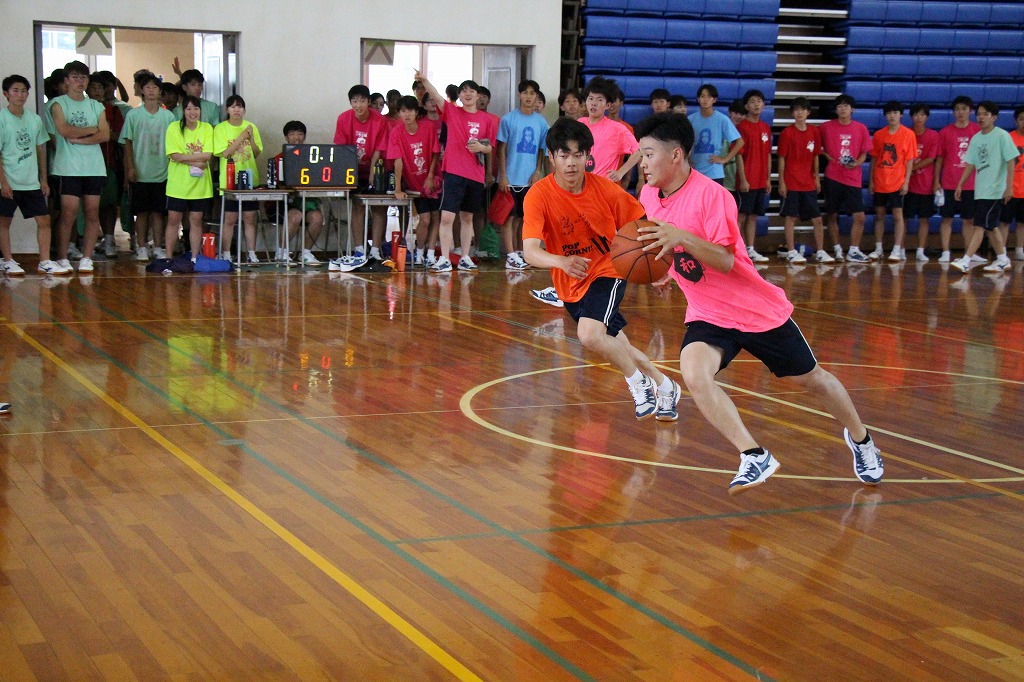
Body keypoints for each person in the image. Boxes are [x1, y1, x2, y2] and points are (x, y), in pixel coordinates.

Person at [632, 112, 884, 494]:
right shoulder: (649, 196)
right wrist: (666, 269)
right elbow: (667, 248)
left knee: (813, 380)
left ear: (676, 155)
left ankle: (861, 438)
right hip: (708, 312)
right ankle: (753, 454)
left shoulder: (712, 196)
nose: (643, 163)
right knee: (695, 375)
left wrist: (680, 236)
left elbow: (724, 260)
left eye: (649, 154)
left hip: (754, 310)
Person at [522, 117, 680, 422]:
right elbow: (530, 251)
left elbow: (643, 227)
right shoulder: (538, 195)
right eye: (564, 155)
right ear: (551, 157)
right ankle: (665, 385)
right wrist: (561, 262)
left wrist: (660, 269)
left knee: (590, 334)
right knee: (617, 345)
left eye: (578, 154)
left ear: (587, 156)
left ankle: (639, 384)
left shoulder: (606, 190)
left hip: (609, 269)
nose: (571, 162)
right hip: (571, 282)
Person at [414, 73, 498, 272]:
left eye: (472, 91)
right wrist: (424, 81)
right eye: (464, 91)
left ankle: (465, 257)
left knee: (467, 217)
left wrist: (481, 148)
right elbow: (436, 96)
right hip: (453, 172)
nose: (468, 94)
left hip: (475, 174)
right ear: (459, 95)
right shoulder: (451, 112)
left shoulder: (489, 119)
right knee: (447, 217)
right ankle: (444, 258)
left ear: (478, 96)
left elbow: (490, 147)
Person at [0, 75, 67, 275]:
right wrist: (3, 183)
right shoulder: (2, 119)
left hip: (31, 182)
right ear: (6, 94)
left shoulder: (35, 119)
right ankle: (7, 260)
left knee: (44, 220)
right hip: (9, 181)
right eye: (15, 91)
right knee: (4, 222)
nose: (20, 95)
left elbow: (40, 150)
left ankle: (44, 261)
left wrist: (43, 179)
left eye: (24, 91)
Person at [49, 60, 110, 274]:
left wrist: (82, 138)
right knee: (69, 213)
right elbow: (64, 129)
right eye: (75, 77)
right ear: (66, 80)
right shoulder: (58, 104)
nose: (80, 81)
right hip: (68, 168)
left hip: (94, 168)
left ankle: (87, 257)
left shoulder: (96, 106)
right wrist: (91, 130)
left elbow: (105, 134)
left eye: (83, 77)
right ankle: (62, 257)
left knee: (92, 213)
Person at [950, 101, 1019, 274]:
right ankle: (1002, 259)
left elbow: (1011, 161)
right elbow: (970, 164)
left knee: (980, 225)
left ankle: (966, 260)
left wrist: (1009, 187)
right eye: (979, 114)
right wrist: (960, 184)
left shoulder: (1002, 136)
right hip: (981, 190)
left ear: (994, 117)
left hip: (995, 190)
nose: (981, 117)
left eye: (985, 114)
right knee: (991, 226)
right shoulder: (976, 138)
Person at [331, 84, 389, 270]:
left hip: (375, 167)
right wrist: (350, 173)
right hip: (352, 169)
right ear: (350, 102)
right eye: (354, 101)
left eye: (362, 101)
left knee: (379, 207)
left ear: (368, 102)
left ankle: (376, 250)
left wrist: (372, 172)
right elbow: (342, 149)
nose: (358, 105)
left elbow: (379, 149)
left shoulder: (379, 120)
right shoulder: (343, 118)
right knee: (358, 206)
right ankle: (359, 250)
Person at [120, 73, 176, 261]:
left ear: (160, 91)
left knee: (159, 213)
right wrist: (130, 168)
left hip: (163, 172)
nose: (151, 90)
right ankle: (142, 246)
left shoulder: (168, 116)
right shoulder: (133, 115)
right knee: (141, 213)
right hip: (140, 172)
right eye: (147, 87)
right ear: (142, 91)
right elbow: (127, 143)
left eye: (155, 87)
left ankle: (158, 247)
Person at [497, 79, 549, 270]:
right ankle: (510, 255)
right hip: (510, 178)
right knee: (508, 217)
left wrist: (538, 171)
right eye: (525, 92)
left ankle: (520, 252)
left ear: (537, 97)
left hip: (529, 179)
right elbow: (501, 149)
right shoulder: (508, 119)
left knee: (522, 218)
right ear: (519, 95)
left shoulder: (541, 122)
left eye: (532, 93)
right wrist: (503, 175)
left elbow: (542, 150)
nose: (528, 96)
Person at [387, 97, 441, 267]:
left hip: (433, 181)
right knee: (425, 219)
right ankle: (419, 251)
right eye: (403, 111)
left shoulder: (429, 127)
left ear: (416, 112)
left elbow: (435, 153)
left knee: (436, 216)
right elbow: (397, 161)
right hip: (414, 184)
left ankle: (430, 253)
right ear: (399, 113)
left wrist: (431, 176)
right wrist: (397, 188)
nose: (407, 114)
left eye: (410, 110)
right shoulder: (396, 132)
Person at [820, 94, 873, 262]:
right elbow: (817, 147)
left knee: (860, 216)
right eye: (839, 106)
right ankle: (837, 250)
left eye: (846, 106)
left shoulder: (861, 128)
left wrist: (857, 163)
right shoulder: (826, 127)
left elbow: (864, 153)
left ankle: (854, 250)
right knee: (832, 214)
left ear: (852, 109)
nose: (843, 109)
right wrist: (827, 156)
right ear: (836, 110)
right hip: (833, 176)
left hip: (853, 178)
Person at [777, 97, 828, 263]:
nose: (800, 113)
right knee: (791, 217)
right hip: (791, 182)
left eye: (803, 109)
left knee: (817, 219)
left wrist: (817, 178)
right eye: (796, 110)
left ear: (808, 112)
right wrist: (782, 182)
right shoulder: (787, 133)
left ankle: (820, 251)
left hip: (808, 183)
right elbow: (782, 158)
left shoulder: (814, 131)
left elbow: (816, 156)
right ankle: (791, 251)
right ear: (792, 113)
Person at [213, 95, 262, 263]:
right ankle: (226, 253)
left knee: (249, 218)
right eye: (233, 107)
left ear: (244, 110)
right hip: (229, 180)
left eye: (240, 107)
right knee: (230, 219)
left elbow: (256, 153)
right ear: (227, 110)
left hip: (250, 179)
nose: (236, 110)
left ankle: (252, 253)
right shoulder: (220, 128)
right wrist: (241, 137)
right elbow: (225, 153)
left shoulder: (251, 127)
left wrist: (251, 138)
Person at [164, 95, 213, 259]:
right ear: (183, 111)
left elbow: (207, 155)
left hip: (200, 185)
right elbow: (174, 155)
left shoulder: (207, 128)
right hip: (178, 184)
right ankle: (169, 257)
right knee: (173, 219)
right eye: (189, 108)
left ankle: (194, 257)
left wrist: (184, 158)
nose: (193, 112)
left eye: (196, 108)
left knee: (196, 220)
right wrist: (196, 161)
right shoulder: (174, 128)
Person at [868, 101, 917, 262]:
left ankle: (897, 249)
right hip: (880, 181)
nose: (892, 116)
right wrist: (871, 180)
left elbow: (909, 160)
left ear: (901, 115)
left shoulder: (908, 134)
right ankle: (878, 248)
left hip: (897, 182)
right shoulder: (879, 135)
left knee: (898, 216)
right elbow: (874, 158)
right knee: (879, 215)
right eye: (889, 113)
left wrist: (906, 182)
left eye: (895, 113)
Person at [934, 96, 980, 263]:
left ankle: (969, 253)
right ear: (953, 112)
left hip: (971, 183)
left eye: (964, 109)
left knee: (969, 220)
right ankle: (946, 251)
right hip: (949, 182)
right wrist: (937, 180)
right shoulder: (945, 132)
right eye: (957, 109)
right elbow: (940, 158)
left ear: (970, 111)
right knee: (947, 218)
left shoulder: (977, 131)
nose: (961, 112)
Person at [270, 121, 323, 265]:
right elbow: (274, 184)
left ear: (304, 137)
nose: (296, 138)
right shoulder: (279, 158)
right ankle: (281, 252)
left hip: (306, 201)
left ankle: (305, 253)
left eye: (300, 134)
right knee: (295, 216)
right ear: (286, 137)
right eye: (292, 134)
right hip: (284, 204)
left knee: (317, 217)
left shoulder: (312, 157)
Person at [86, 72, 125, 259]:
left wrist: (104, 133)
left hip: (108, 163)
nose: (96, 91)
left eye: (100, 88)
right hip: (84, 165)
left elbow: (119, 136)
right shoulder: (81, 110)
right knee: (90, 206)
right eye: (93, 88)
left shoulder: (113, 111)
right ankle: (86, 242)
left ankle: (109, 240)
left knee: (109, 204)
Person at [578, 77, 640, 185]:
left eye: (599, 100)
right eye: (591, 98)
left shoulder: (617, 128)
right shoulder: (579, 124)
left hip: (603, 186)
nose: (594, 103)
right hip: (581, 185)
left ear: (608, 105)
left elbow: (638, 151)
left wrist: (621, 172)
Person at [735, 89, 772, 262]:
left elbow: (768, 155)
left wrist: (767, 178)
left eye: (759, 101)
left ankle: (750, 249)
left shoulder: (765, 128)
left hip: (760, 180)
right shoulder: (742, 127)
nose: (756, 104)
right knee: (741, 216)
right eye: (752, 101)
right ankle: (736, 249)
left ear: (763, 105)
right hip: (747, 180)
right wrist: (743, 179)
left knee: (753, 216)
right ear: (746, 106)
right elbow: (738, 155)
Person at [687, 84, 744, 188]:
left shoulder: (722, 119)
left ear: (714, 100)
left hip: (715, 173)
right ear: (698, 99)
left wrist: (725, 159)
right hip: (694, 171)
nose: (705, 99)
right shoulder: (690, 120)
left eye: (709, 96)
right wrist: (686, 158)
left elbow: (739, 142)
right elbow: (683, 141)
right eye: (702, 96)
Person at [905, 103, 940, 263]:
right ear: (911, 116)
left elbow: (931, 158)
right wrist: (907, 171)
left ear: (927, 117)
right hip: (907, 185)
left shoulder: (933, 135)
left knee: (924, 219)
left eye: (922, 114)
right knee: (904, 218)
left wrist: (912, 168)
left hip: (925, 184)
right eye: (916, 114)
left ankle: (920, 250)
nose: (919, 118)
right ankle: (901, 249)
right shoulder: (906, 134)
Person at [998, 105, 1024, 261]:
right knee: (1004, 222)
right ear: (1015, 121)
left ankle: (1020, 250)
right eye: (1021, 119)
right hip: (1010, 188)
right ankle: (1002, 252)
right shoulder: (1008, 138)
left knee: (1022, 223)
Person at [722, 99, 745, 203]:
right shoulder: (722, 131)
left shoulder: (745, 132)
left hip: (740, 182)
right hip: (725, 182)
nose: (739, 116)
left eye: (742, 114)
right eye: (736, 113)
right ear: (730, 113)